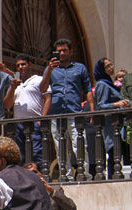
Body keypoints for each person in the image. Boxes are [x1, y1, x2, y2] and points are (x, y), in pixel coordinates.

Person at [44, 38, 94, 180]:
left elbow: (87, 89)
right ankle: (66, 176)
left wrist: (91, 110)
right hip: (57, 112)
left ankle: (84, 175)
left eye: (64, 50)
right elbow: (42, 88)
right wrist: (49, 70)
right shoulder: (51, 69)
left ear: (70, 51)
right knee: (60, 148)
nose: (62, 53)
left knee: (80, 145)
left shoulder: (80, 68)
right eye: (59, 51)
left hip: (74, 112)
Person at [3, 54, 52, 169]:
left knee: (36, 152)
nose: (21, 67)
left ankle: (40, 177)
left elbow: (48, 99)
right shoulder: (15, 84)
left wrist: (42, 118)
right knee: (20, 153)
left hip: (35, 121)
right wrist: (13, 88)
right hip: (19, 123)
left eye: (23, 64)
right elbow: (7, 105)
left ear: (30, 65)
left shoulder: (39, 80)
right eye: (18, 65)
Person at [94, 57, 130, 179]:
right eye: (107, 66)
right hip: (110, 125)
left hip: (117, 125)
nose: (111, 68)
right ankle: (112, 178)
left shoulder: (109, 83)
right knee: (113, 153)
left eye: (111, 65)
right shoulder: (102, 84)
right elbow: (100, 106)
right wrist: (117, 104)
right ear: (102, 70)